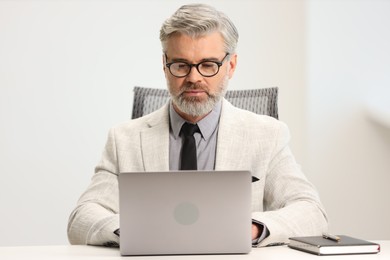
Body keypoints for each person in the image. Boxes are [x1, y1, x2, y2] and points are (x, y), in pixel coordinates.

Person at [67, 3, 328, 247]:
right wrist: (132, 230)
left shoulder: (267, 135)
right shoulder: (124, 139)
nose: (194, 78)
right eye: (181, 65)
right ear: (165, 66)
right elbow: (82, 217)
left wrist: (252, 228)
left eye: (208, 65)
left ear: (231, 66)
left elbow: (311, 211)